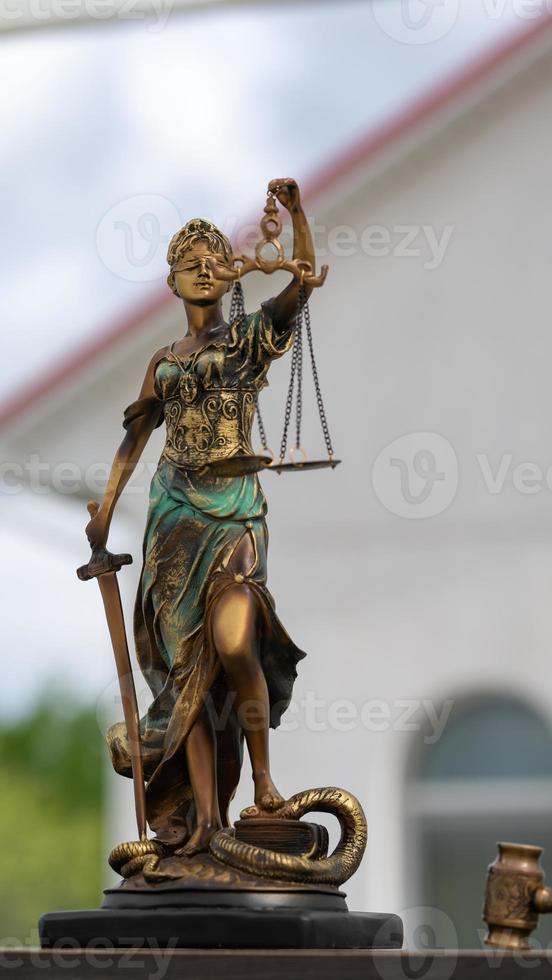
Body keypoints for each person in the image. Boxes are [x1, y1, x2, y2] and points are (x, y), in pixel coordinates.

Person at [86, 179, 314, 856]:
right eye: (191, 265)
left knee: (237, 640)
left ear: (229, 271)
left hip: (235, 515)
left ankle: (265, 783)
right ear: (173, 281)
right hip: (174, 521)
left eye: (214, 261)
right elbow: (135, 439)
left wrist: (299, 217)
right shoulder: (163, 363)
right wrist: (103, 512)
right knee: (188, 671)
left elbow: (300, 288)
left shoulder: (246, 340)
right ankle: (207, 824)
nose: (204, 272)